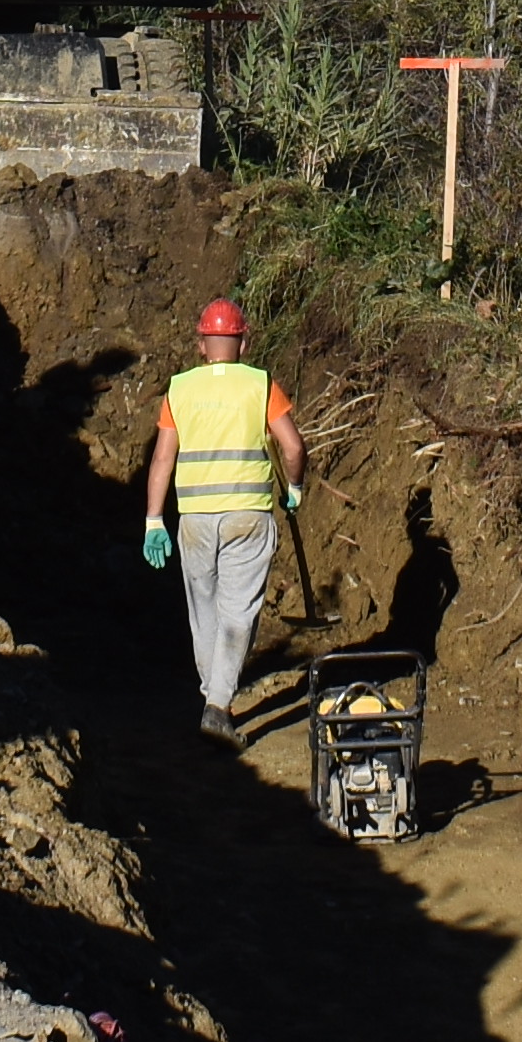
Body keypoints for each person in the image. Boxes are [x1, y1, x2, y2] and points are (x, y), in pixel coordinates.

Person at [131, 300, 303, 740]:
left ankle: (213, 696)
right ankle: (218, 705)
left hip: (194, 520)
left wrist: (154, 520)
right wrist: (296, 489)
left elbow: (162, 459)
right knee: (237, 611)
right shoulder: (261, 385)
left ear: (201, 344)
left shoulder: (180, 389)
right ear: (243, 341)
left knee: (203, 611)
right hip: (247, 516)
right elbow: (293, 449)